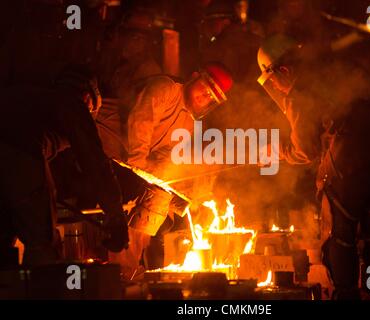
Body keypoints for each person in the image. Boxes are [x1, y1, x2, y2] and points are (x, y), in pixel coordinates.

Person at [256, 34, 370, 299]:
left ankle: (345, 294)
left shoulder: (299, 90)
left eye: (272, 79)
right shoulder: (331, 66)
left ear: (283, 69)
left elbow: (305, 150)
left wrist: (276, 152)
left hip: (355, 156)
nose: (275, 86)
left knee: (338, 232)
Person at [100, 62, 233, 274]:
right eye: (204, 89)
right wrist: (141, 169)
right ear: (194, 75)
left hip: (129, 161)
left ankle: (137, 269)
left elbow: (166, 156)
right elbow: (140, 122)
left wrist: (187, 195)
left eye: (211, 98)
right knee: (149, 201)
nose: (204, 97)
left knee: (161, 201)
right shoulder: (166, 88)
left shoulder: (188, 122)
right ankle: (121, 273)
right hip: (107, 141)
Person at [0, 65, 129, 267]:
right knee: (42, 244)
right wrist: (116, 216)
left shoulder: (34, 99)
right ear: (88, 98)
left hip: (13, 157)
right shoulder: (72, 105)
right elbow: (95, 163)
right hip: (18, 157)